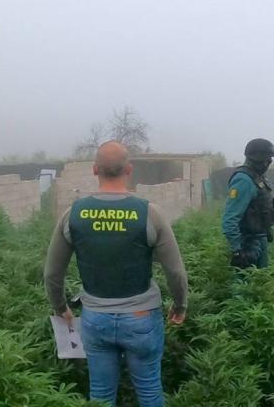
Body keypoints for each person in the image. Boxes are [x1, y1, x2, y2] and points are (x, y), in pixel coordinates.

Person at [44, 141, 188, 407]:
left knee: (100, 395)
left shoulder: (72, 215)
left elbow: (52, 272)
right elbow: (175, 272)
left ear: (95, 170)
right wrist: (179, 305)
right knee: (149, 392)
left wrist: (60, 306)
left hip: (95, 319)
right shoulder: (150, 213)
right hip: (141, 318)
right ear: (129, 169)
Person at [222, 138, 274, 269]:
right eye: (267, 158)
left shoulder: (259, 178)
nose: (269, 162)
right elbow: (230, 219)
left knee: (260, 283)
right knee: (245, 285)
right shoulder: (244, 180)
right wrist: (237, 251)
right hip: (248, 243)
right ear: (258, 159)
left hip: (260, 239)